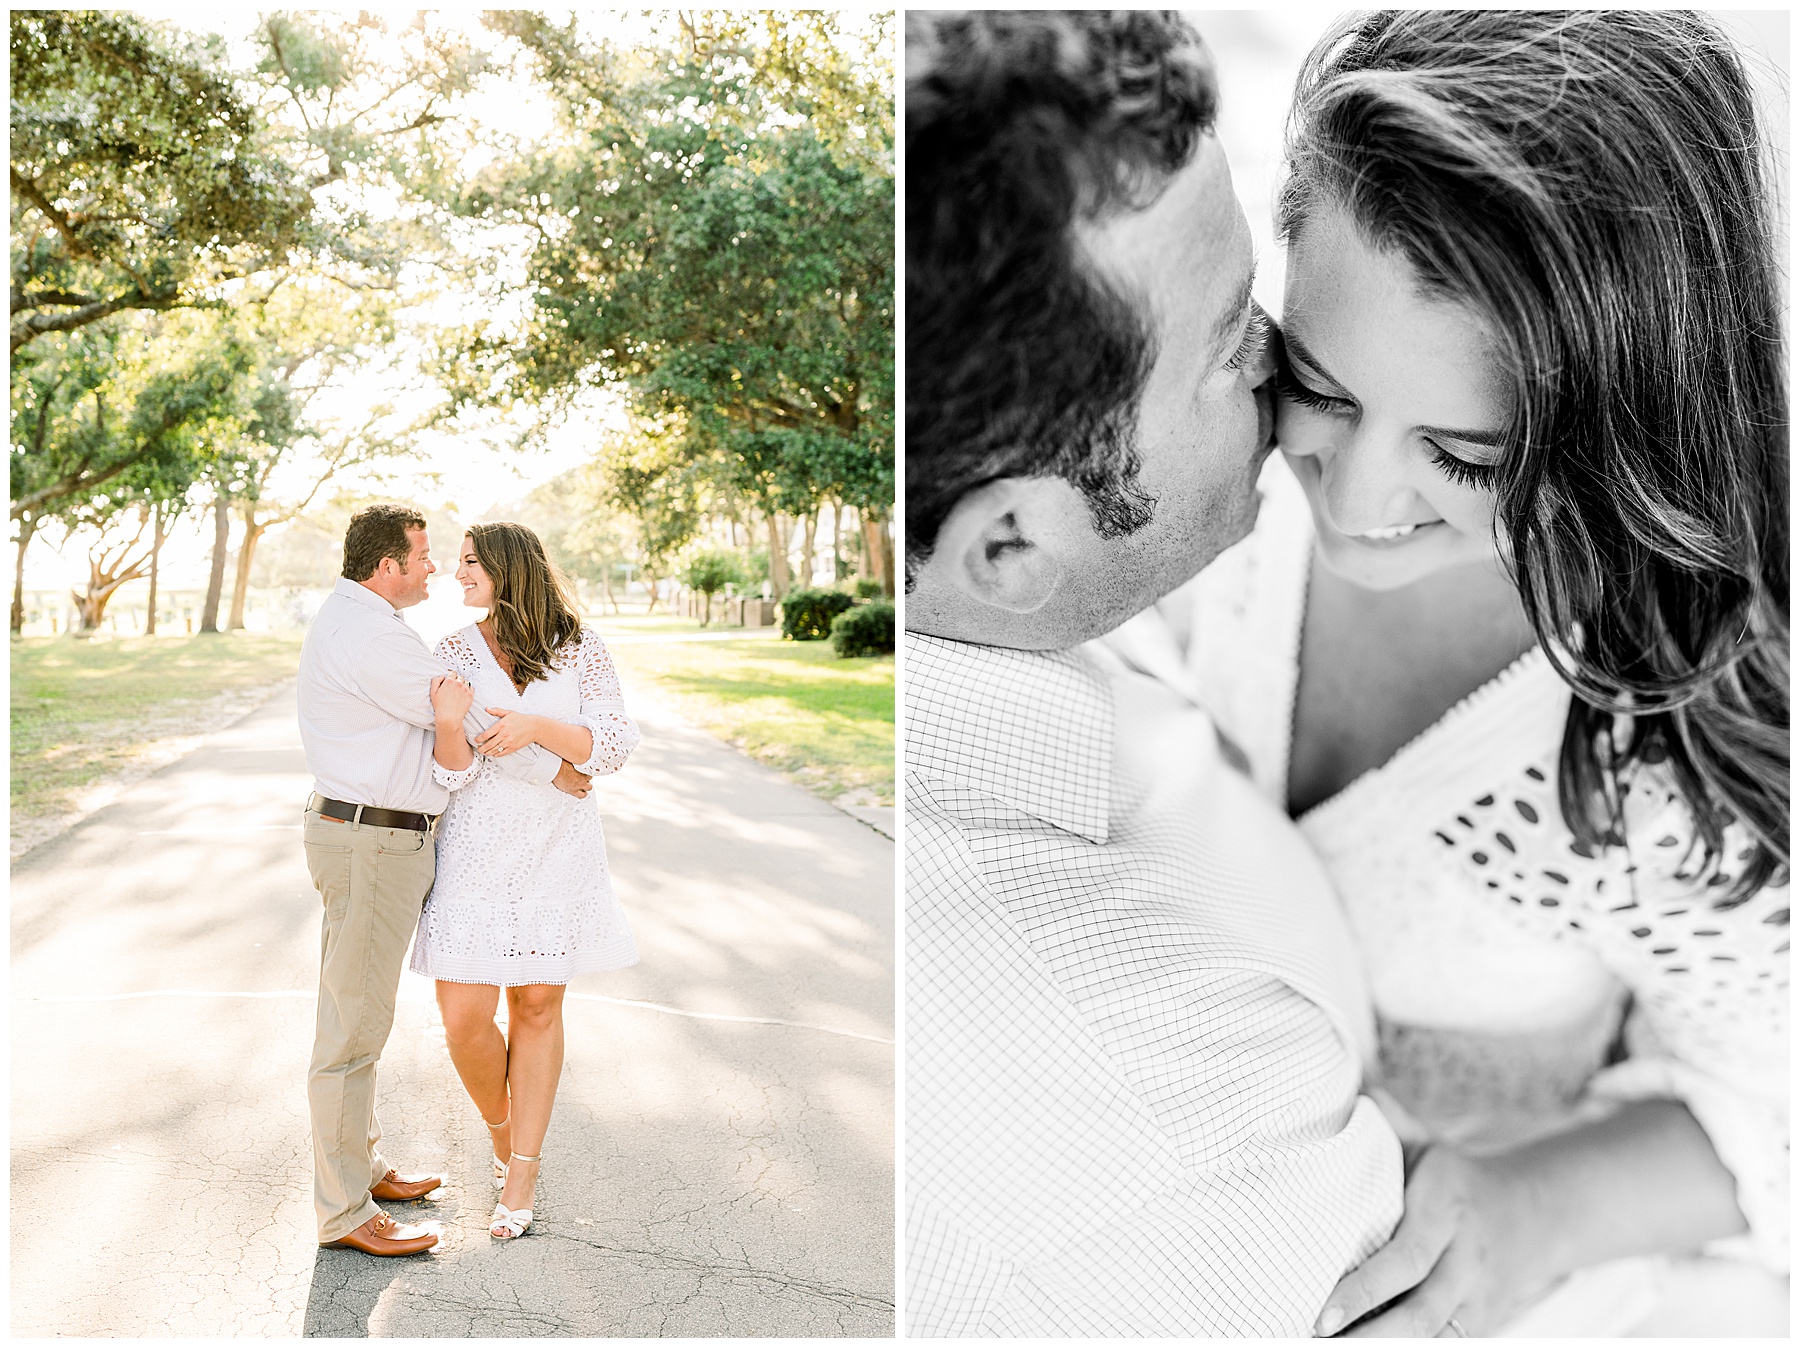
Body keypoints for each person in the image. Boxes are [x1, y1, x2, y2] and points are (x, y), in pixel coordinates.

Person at [1162, 11, 1788, 1335]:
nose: (1357, 496)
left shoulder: (1676, 730)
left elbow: (1776, 1111)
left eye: (1468, 453)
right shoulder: (1214, 494)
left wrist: (1533, 1211)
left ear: (1625, 420)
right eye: (1322, 387)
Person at [904, 12, 1403, 1335]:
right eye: (1232, 337)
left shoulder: (1020, 622)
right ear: (1012, 543)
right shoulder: (1160, 1091)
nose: (1286, 373)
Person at [298, 504, 591, 1257]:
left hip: (372, 838)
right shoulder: (372, 639)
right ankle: (345, 1212)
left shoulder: (367, 624)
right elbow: (481, 719)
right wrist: (558, 765)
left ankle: (361, 1169)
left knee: (356, 1016)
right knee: (352, 1029)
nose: (435, 569)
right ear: (387, 567)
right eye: (424, 557)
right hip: (370, 841)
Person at [411, 521, 640, 1241]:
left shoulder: (580, 645)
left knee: (538, 1006)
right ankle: (502, 1129)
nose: (457, 575)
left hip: (557, 849)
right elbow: (462, 760)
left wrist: (540, 727)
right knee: (464, 1019)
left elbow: (613, 745)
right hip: (477, 847)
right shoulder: (451, 650)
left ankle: (523, 1172)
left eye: (471, 563)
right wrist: (552, 765)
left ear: (509, 568)